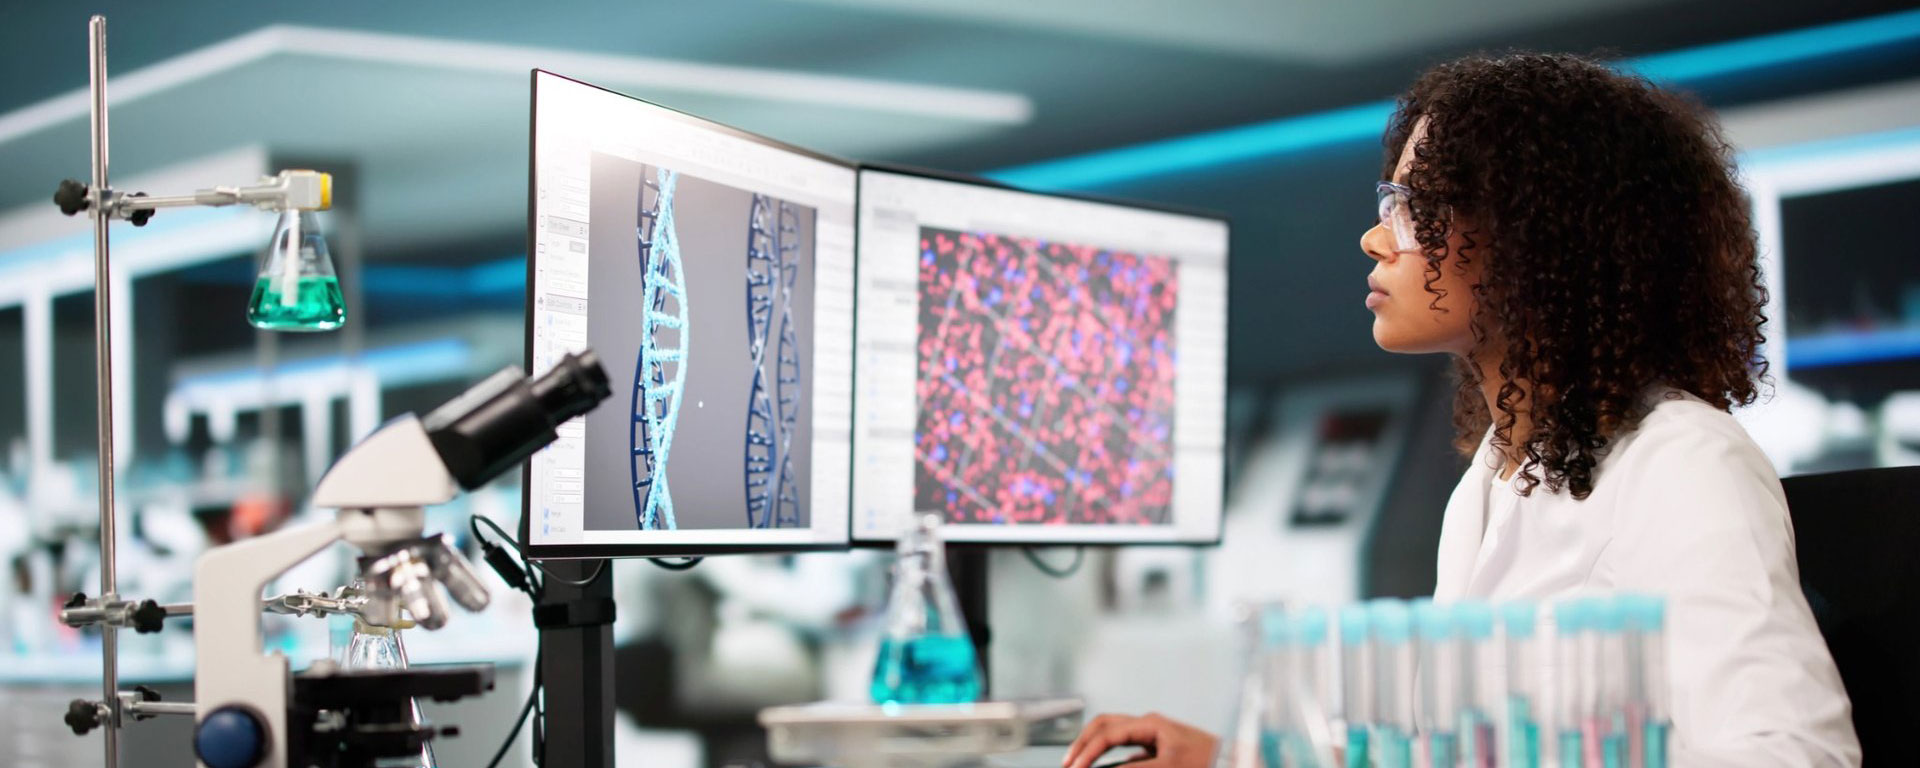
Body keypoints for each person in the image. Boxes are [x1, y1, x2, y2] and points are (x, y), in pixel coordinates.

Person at [1063, 52, 1860, 768]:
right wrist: (1237, 759)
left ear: (1537, 237)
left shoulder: (1682, 461)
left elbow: (1793, 754)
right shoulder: (1494, 478)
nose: (1377, 242)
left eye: (1421, 209)